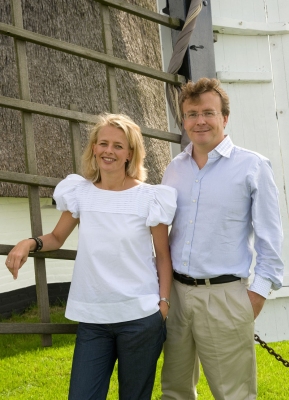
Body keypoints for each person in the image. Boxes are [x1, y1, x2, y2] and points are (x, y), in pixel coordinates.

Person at [5, 113, 177, 400]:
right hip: (94, 320)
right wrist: (28, 242)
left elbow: (163, 255)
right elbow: (56, 238)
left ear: (130, 154)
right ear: (94, 148)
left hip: (141, 318)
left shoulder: (150, 197)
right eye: (103, 143)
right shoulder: (80, 192)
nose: (109, 151)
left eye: (118, 146)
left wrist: (163, 305)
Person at [161, 78, 284, 400]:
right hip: (175, 294)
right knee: (174, 390)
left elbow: (271, 237)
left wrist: (256, 294)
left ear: (224, 118)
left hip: (225, 296)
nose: (200, 121)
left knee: (233, 394)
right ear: (183, 120)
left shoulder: (252, 166)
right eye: (191, 114)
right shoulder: (173, 169)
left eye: (208, 113)